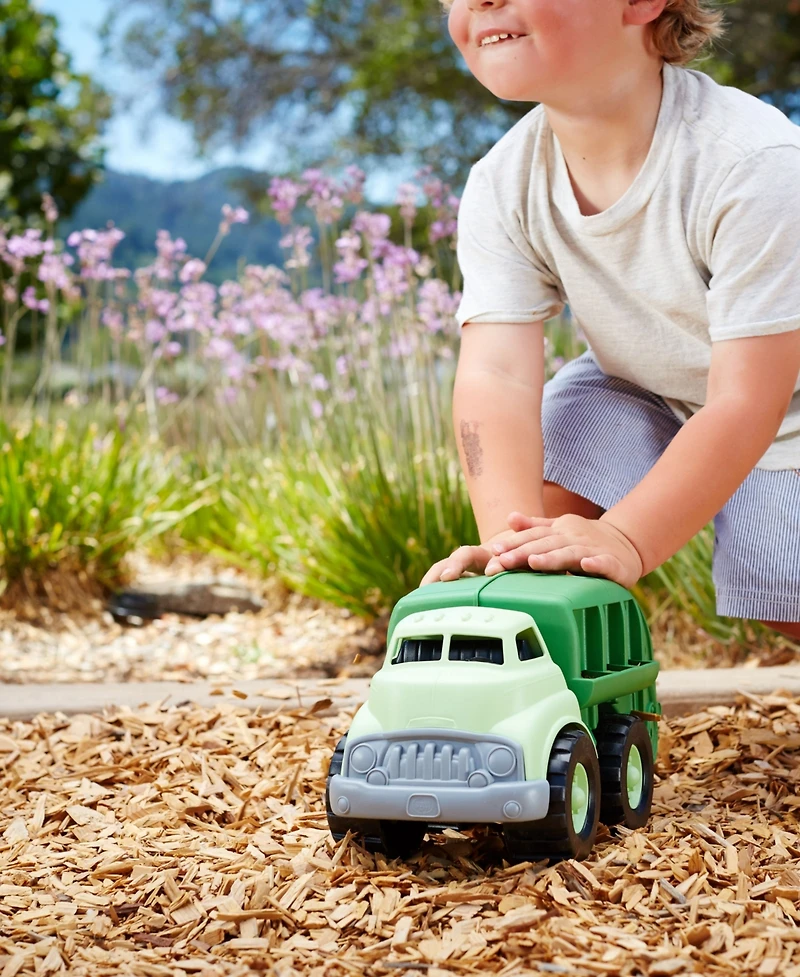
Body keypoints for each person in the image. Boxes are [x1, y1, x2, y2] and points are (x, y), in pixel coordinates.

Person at [419, 0, 800, 640]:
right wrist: (506, 552)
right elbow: (496, 373)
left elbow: (747, 399)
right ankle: (547, 678)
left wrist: (626, 537)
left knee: (786, 606)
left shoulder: (752, 162)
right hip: (649, 383)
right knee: (543, 513)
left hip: (782, 403)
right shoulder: (503, 181)